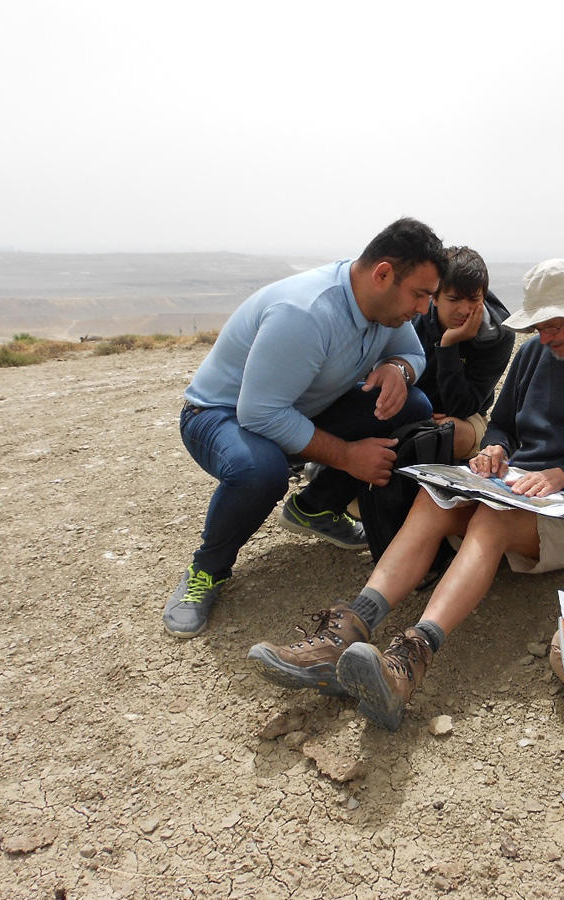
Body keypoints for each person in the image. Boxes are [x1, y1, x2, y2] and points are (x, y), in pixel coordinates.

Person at [247, 259, 564, 729]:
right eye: (538, 327)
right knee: (435, 498)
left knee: (490, 521)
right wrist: (494, 450)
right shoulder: (535, 354)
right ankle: (346, 629)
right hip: (520, 487)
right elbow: (504, 424)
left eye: (552, 326)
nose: (544, 338)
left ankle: (409, 660)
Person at [163, 218, 446, 639]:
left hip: (296, 410)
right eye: (419, 294)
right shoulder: (307, 314)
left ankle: (314, 507)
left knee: (413, 406)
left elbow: (412, 351)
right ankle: (207, 569)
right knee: (260, 470)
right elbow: (259, 414)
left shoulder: (381, 306)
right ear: (383, 273)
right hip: (219, 415)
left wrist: (397, 368)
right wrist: (350, 458)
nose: (424, 309)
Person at [412, 246, 514, 460]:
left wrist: (448, 344)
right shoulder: (414, 317)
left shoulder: (498, 335)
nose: (465, 310)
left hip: (466, 416)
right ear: (435, 297)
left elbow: (461, 407)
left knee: (450, 433)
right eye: (454, 299)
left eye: (473, 299)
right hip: (413, 404)